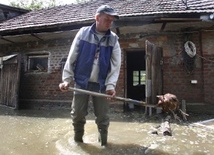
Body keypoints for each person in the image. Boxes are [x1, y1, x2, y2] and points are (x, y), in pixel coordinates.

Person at [59, 5, 121, 146]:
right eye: (107, 19)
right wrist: (66, 80)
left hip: (101, 85)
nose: (109, 23)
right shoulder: (83, 33)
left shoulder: (113, 39)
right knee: (78, 115)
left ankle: (103, 145)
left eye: (112, 20)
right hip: (82, 82)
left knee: (103, 118)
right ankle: (78, 143)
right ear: (97, 18)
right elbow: (72, 57)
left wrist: (110, 86)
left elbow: (115, 66)